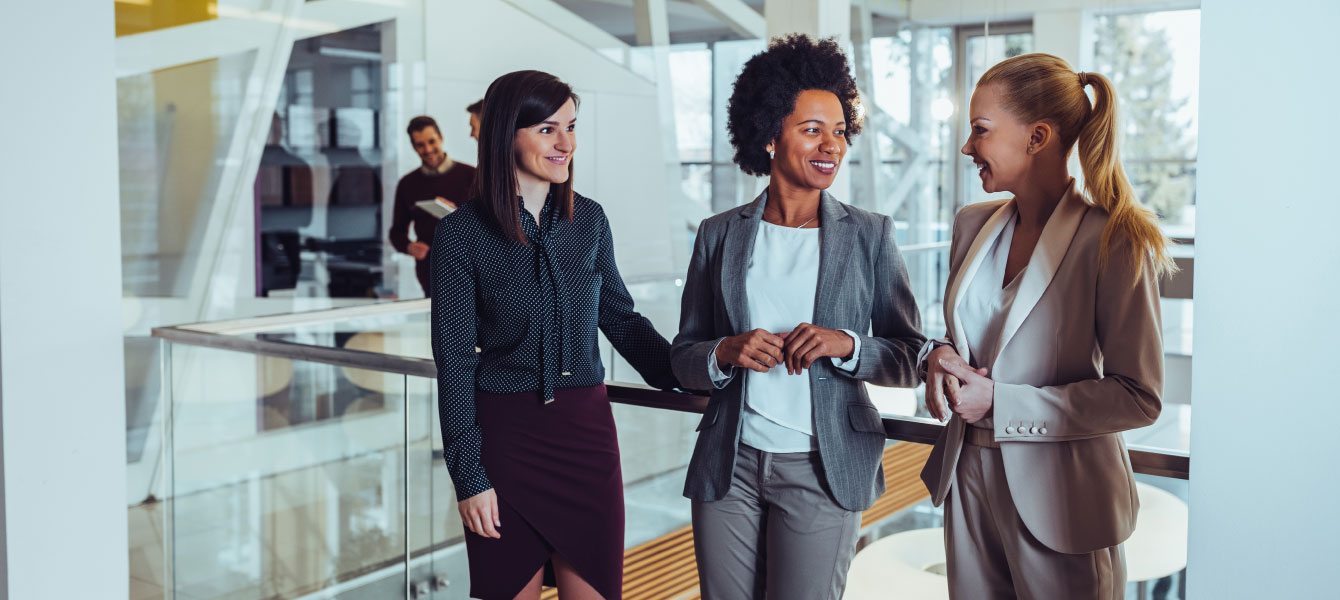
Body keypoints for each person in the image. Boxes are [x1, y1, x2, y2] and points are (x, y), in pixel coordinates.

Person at [670, 35, 926, 600]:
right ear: (768, 135)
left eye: (839, 131)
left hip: (823, 467)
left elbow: (912, 357)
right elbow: (683, 354)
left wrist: (848, 345)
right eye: (812, 129)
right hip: (728, 465)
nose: (830, 144)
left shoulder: (871, 235)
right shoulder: (719, 234)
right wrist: (723, 352)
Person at [918, 53, 1173, 599]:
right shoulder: (972, 225)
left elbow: (1139, 397)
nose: (968, 147)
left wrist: (1002, 404)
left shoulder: (1115, 239)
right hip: (967, 481)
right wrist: (941, 354)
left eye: (980, 131)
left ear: (1036, 137)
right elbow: (979, 334)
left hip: (1065, 501)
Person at [431, 70, 678, 600]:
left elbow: (622, 320)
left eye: (571, 127)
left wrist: (694, 372)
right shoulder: (459, 234)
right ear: (506, 134)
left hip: (586, 438)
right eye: (547, 129)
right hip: (505, 441)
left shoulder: (588, 220)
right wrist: (468, 474)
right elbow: (453, 361)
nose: (565, 143)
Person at [389, 116, 476, 295]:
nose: (428, 149)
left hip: (470, 267)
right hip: (430, 272)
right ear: (414, 147)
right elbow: (396, 232)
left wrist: (456, 213)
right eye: (420, 145)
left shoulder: (471, 175)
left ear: (441, 138)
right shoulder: (407, 184)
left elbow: (491, 225)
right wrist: (409, 247)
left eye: (431, 141)